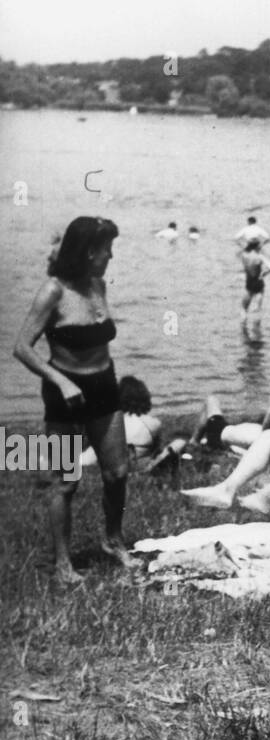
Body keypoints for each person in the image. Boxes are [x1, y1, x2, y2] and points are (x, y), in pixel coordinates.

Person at [13, 215, 132, 581]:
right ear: (88, 252)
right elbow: (21, 347)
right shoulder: (53, 291)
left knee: (117, 473)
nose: (111, 255)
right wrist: (61, 382)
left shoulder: (98, 284)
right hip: (64, 392)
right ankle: (63, 564)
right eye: (106, 249)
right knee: (65, 480)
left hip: (103, 387)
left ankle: (113, 540)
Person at [81, 376, 162, 469]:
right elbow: (155, 450)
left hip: (110, 460)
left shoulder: (112, 422)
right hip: (138, 462)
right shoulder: (154, 423)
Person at [240, 239, 270, 317]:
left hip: (249, 279)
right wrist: (264, 273)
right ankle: (258, 308)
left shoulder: (244, 255)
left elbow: (245, 266)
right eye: (260, 246)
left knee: (249, 294)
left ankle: (244, 315)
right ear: (257, 247)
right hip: (258, 279)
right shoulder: (259, 257)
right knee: (259, 292)